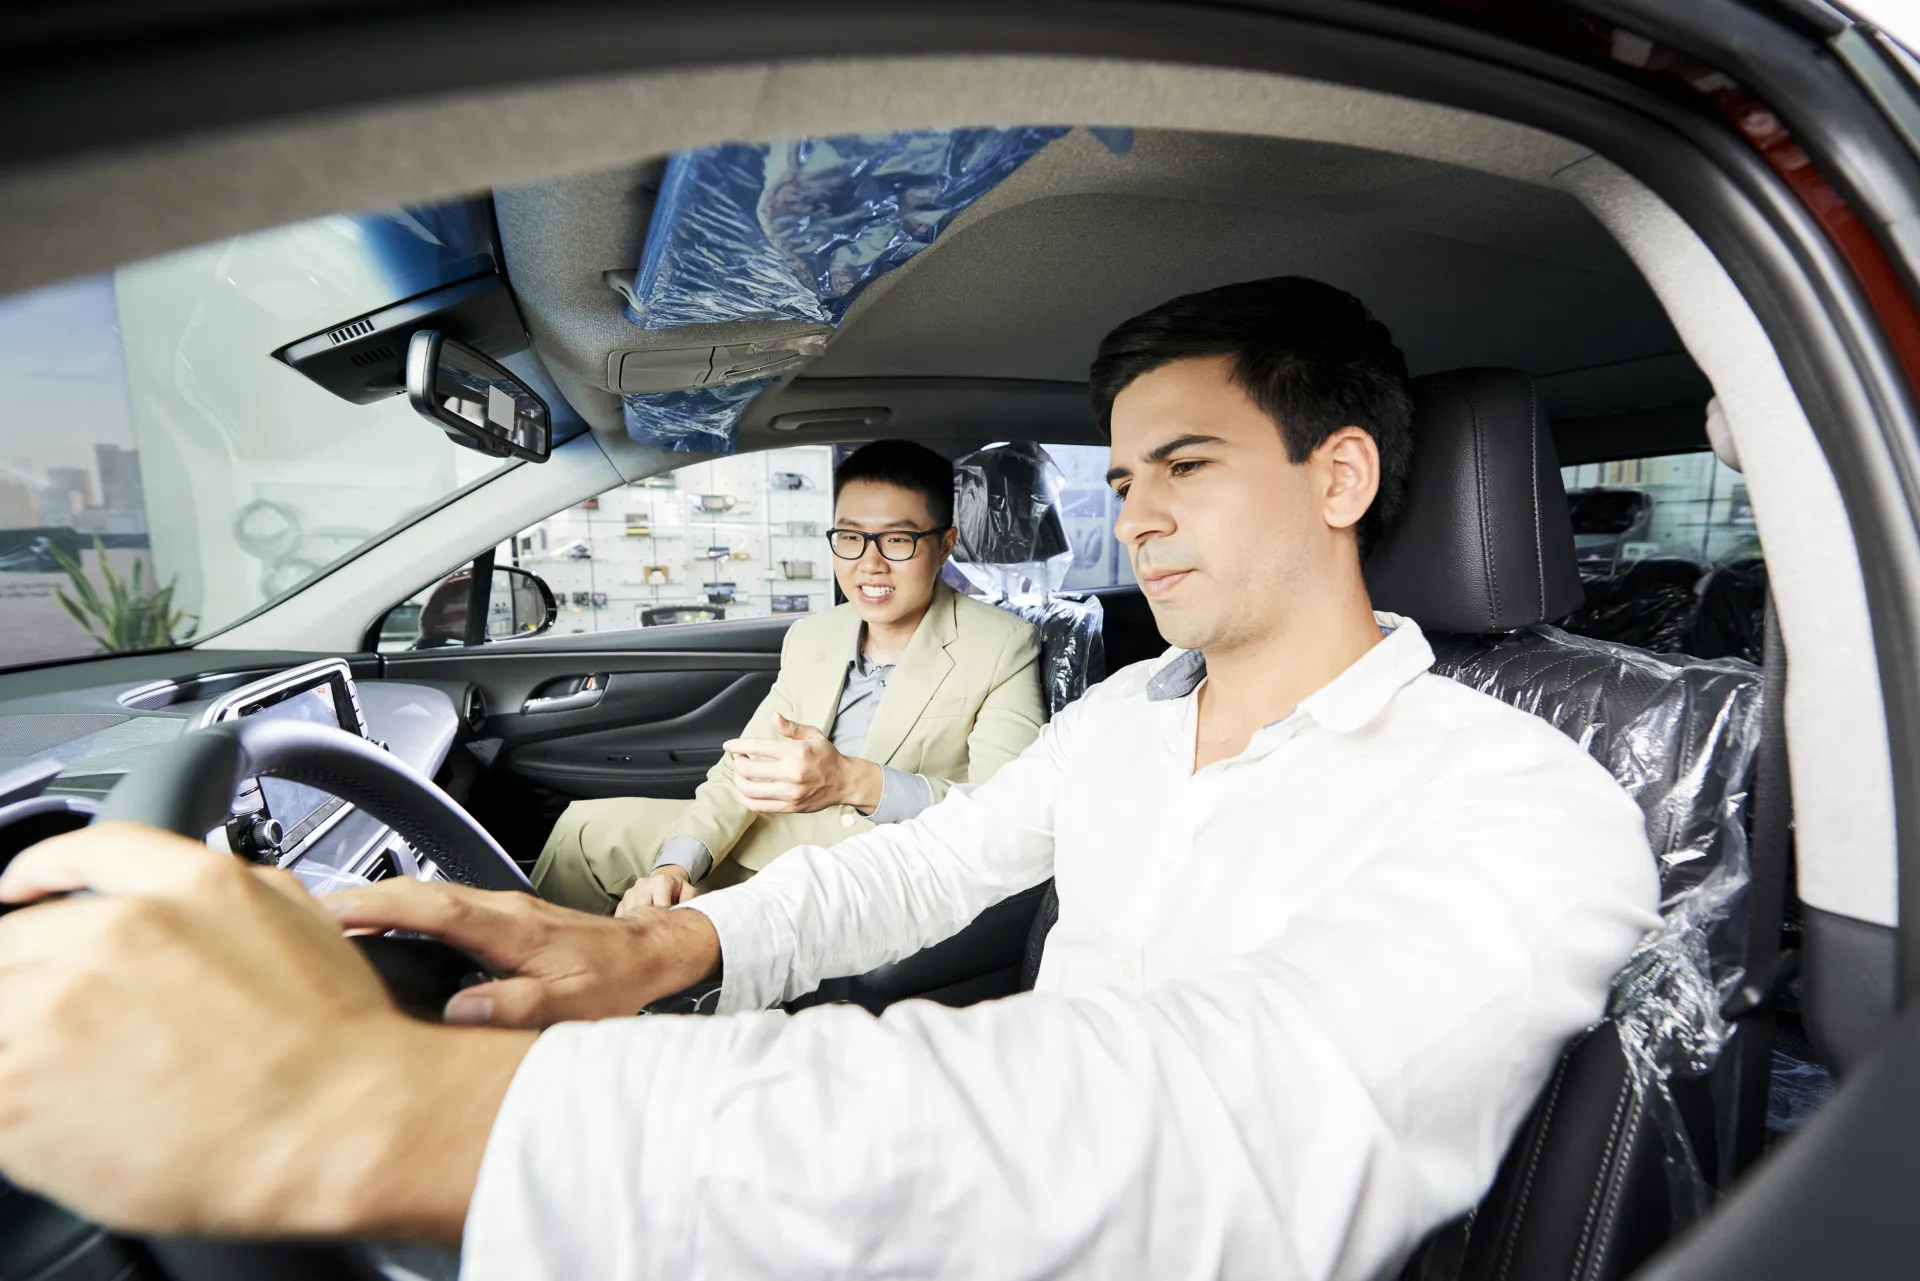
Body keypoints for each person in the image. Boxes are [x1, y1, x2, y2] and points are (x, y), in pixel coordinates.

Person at [0, 276, 1660, 1281]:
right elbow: (925, 872)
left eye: (1189, 465)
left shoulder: (1524, 806)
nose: (1136, 512)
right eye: (1127, 471)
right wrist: (673, 949)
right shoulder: (1137, 715)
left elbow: (1226, 1126)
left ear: (1341, 474)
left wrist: (376, 1109)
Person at [533, 439, 1044, 915]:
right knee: (584, 829)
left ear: (945, 544)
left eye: (897, 540)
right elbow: (742, 772)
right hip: (771, 842)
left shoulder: (1002, 644)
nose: (869, 564)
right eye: (850, 537)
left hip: (880, 872)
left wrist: (854, 782)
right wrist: (674, 866)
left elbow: (1005, 813)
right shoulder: (813, 635)